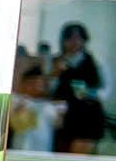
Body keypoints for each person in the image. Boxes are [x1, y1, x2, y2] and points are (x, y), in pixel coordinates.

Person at [47, 23, 111, 154]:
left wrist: (91, 94)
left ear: (84, 40)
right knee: (59, 155)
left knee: (78, 157)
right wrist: (55, 72)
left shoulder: (96, 62)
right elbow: (47, 89)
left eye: (78, 38)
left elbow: (107, 90)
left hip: (87, 115)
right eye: (69, 38)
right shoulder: (54, 61)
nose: (74, 42)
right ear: (63, 40)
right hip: (61, 114)